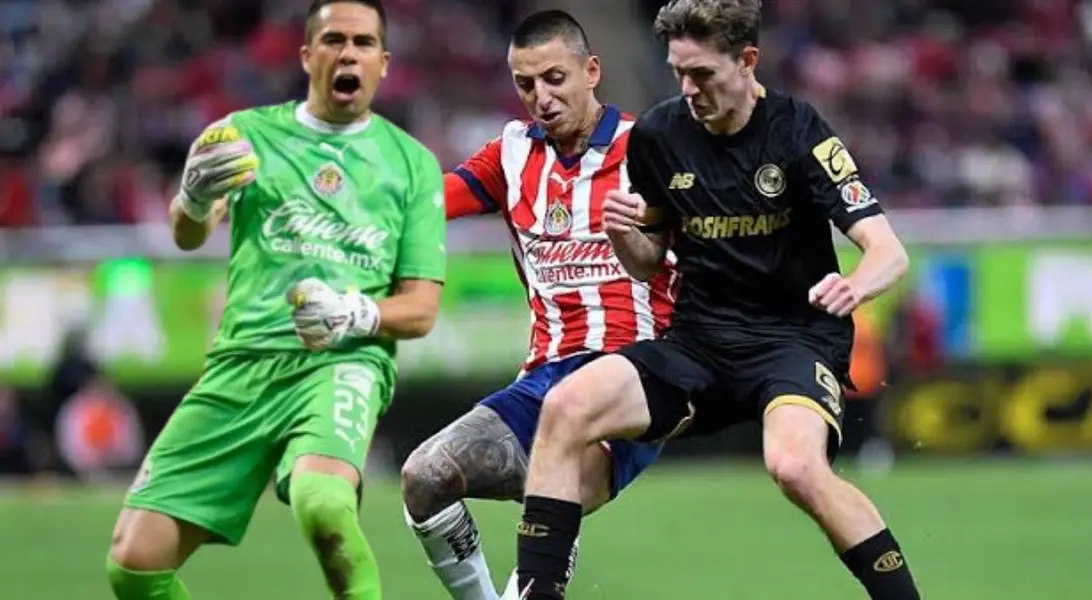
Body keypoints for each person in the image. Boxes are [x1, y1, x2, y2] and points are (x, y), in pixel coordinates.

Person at [512, 1, 921, 599]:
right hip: (698, 343)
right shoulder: (659, 134)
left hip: (792, 341)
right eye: (679, 71)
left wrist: (855, 284)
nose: (687, 88)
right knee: (566, 407)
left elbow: (888, 250)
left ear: (747, 61)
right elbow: (648, 258)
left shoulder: (797, 129)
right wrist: (626, 233)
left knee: (796, 467)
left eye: (701, 74)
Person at [105, 2, 446, 599]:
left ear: (384, 63)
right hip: (241, 363)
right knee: (133, 565)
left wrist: (353, 314)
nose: (349, 53)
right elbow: (188, 232)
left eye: (364, 43)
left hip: (340, 360)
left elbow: (419, 310)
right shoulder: (246, 133)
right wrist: (190, 195)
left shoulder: (412, 164)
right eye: (334, 40)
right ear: (307, 55)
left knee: (323, 501)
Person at [399, 10, 676, 600]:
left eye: (555, 78)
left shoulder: (651, 149)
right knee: (423, 480)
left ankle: (555, 523)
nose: (541, 98)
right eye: (526, 84)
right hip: (541, 382)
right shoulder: (513, 154)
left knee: (555, 498)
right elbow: (428, 203)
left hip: (632, 378)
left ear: (591, 70)